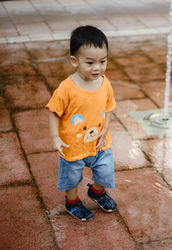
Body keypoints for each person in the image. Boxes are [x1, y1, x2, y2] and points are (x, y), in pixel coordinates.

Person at [46, 25, 117, 222]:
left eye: (102, 61)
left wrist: (106, 129)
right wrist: (55, 137)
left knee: (105, 172)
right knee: (72, 177)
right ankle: (72, 201)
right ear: (74, 61)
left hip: (100, 142)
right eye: (90, 62)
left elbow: (109, 107)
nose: (97, 67)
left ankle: (97, 192)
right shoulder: (66, 88)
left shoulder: (105, 82)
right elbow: (53, 112)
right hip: (73, 144)